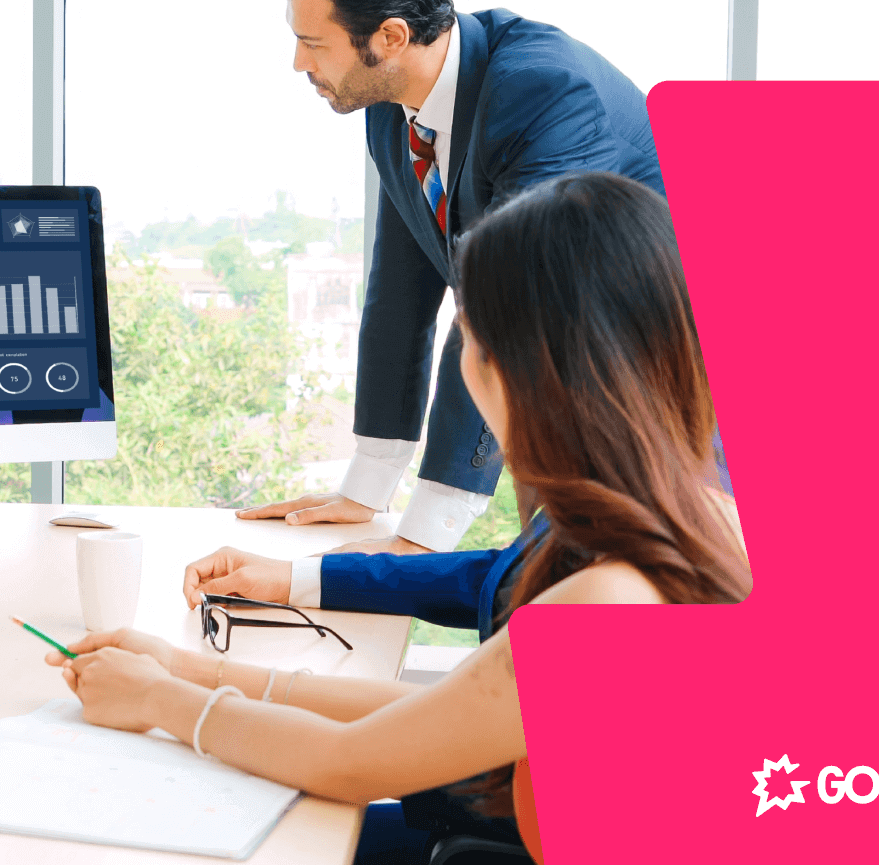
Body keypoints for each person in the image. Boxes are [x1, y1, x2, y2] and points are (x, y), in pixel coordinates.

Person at [49, 173, 749, 864]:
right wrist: (183, 672)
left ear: (518, 370)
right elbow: (445, 711)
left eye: (469, 342)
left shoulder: (607, 602)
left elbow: (352, 763)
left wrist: (166, 703)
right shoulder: (703, 524)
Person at [235, 0, 667, 556]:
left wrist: (424, 528)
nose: (300, 64)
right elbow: (399, 291)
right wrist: (368, 485)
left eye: (312, 43)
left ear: (390, 37)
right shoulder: (388, 104)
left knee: (616, 602)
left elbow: (500, 309)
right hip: (558, 380)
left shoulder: (544, 92)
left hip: (665, 392)